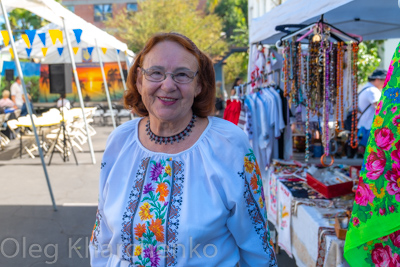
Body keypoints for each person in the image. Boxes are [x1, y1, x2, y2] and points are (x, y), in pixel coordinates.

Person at [89, 32, 277, 266]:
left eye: (182, 75)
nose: (167, 85)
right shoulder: (120, 140)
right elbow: (102, 235)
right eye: (155, 72)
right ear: (139, 80)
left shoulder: (228, 145)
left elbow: (256, 243)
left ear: (199, 85)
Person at [357, 69, 387, 153]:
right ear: (377, 79)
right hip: (369, 127)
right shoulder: (372, 91)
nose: (386, 83)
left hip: (365, 125)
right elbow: (380, 108)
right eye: (384, 80)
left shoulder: (366, 88)